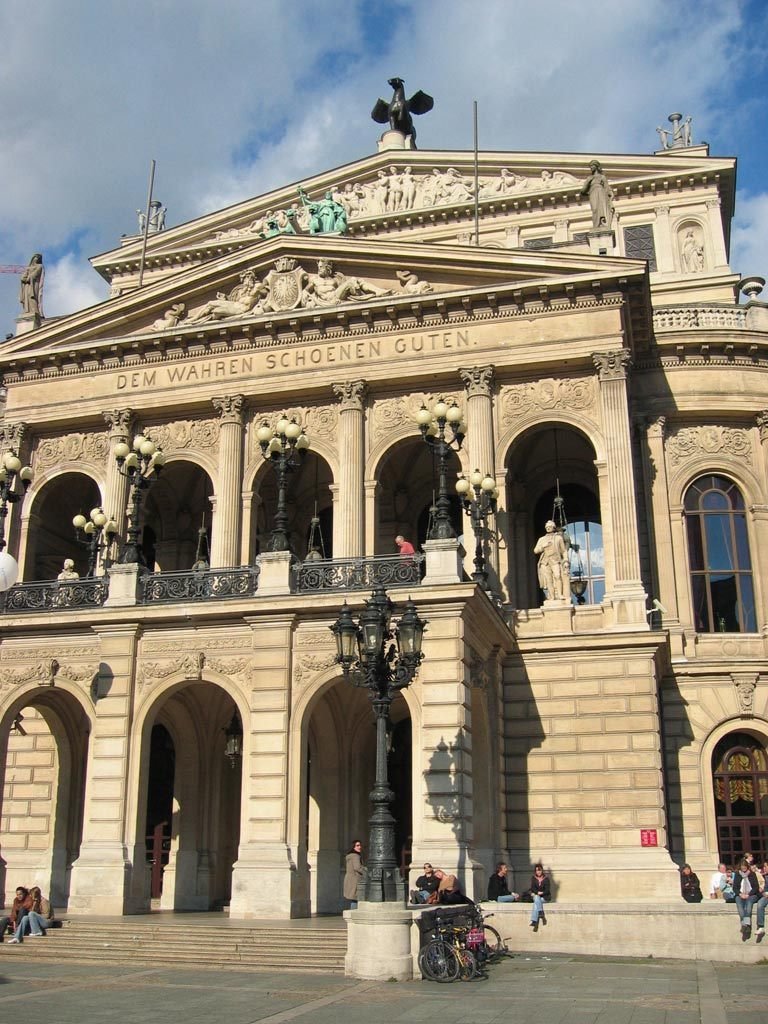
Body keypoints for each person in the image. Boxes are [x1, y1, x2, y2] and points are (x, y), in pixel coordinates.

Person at [533, 520, 569, 601]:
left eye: (550, 527)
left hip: (555, 560)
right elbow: (535, 550)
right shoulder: (542, 539)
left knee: (557, 576)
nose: (548, 528)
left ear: (553, 528)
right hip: (545, 562)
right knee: (548, 580)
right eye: (547, 527)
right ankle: (552, 597)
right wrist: (543, 546)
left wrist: (566, 560)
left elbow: (564, 551)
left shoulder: (558, 538)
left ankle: (560, 594)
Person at [579, 160, 614, 230]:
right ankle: (596, 225)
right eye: (590, 166)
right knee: (595, 209)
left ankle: (602, 223)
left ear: (596, 167)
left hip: (601, 193)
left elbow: (606, 187)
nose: (591, 167)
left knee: (602, 208)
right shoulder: (589, 178)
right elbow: (582, 191)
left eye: (592, 166)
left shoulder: (602, 177)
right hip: (593, 194)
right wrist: (588, 191)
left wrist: (610, 193)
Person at [733, 857, 761, 940]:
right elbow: (735, 887)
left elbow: (756, 887)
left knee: (748, 905)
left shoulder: (752, 874)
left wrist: (749, 894)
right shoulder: (738, 874)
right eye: (742, 866)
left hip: (751, 894)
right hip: (741, 894)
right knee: (740, 905)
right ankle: (745, 925)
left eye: (745, 866)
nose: (743, 867)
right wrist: (740, 894)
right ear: (740, 867)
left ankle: (746, 926)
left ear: (747, 866)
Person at [528, 863, 551, 929]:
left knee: (536, 902)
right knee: (536, 898)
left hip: (545, 897)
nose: (538, 872)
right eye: (537, 870)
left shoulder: (546, 879)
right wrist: (537, 892)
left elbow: (547, 890)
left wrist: (542, 893)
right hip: (537, 897)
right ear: (535, 871)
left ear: (542, 870)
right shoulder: (533, 878)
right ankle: (540, 912)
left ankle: (534, 921)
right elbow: (533, 888)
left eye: (539, 870)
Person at [343, 839, 363, 910]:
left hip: (349, 879)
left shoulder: (349, 856)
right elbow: (357, 868)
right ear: (353, 847)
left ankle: (353, 914)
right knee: (355, 898)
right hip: (355, 880)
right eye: (357, 845)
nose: (360, 847)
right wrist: (366, 872)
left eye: (360, 845)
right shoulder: (355, 856)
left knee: (353, 899)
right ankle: (354, 915)